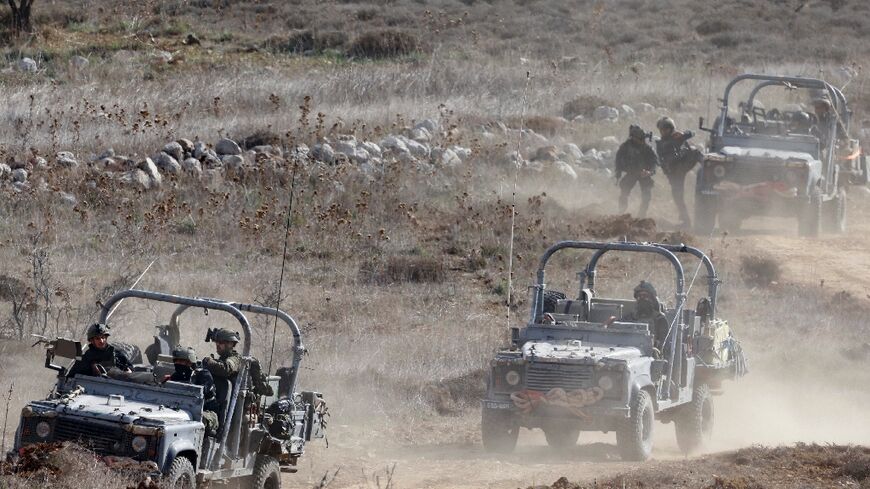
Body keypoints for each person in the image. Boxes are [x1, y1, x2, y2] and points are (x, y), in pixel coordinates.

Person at [656, 117, 700, 228]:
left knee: (696, 151)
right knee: (677, 197)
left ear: (671, 129)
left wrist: (683, 134)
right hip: (674, 173)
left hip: (682, 166)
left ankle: (709, 166)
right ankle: (686, 221)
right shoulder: (661, 143)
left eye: (665, 130)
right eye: (661, 130)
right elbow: (664, 158)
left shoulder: (677, 138)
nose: (663, 132)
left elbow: (692, 133)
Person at [202, 328, 273, 397]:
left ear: (230, 344)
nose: (217, 345)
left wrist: (208, 361)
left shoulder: (236, 359)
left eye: (220, 342)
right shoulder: (222, 359)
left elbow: (226, 369)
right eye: (216, 342)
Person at [169, 346, 219, 437]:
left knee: (192, 419)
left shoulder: (203, 375)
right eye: (176, 361)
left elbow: (201, 392)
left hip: (208, 413)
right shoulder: (176, 376)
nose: (177, 364)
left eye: (181, 361)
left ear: (189, 362)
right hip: (183, 410)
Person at [614, 125, 658, 218]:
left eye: (643, 139)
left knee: (646, 195)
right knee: (624, 192)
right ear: (633, 138)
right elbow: (618, 159)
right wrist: (618, 171)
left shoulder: (647, 148)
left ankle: (642, 215)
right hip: (631, 173)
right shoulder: (625, 147)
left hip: (644, 174)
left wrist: (649, 172)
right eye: (640, 138)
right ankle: (621, 211)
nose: (642, 141)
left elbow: (655, 162)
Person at [67, 323, 133, 378]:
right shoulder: (85, 358)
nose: (101, 341)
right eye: (97, 338)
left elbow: (131, 369)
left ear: (106, 338)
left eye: (102, 337)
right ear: (92, 341)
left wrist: (128, 373)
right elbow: (70, 378)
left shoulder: (116, 354)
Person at [626, 281, 669, 352]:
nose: (642, 299)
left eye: (645, 296)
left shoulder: (660, 319)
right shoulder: (631, 317)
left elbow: (663, 345)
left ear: (652, 298)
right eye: (639, 296)